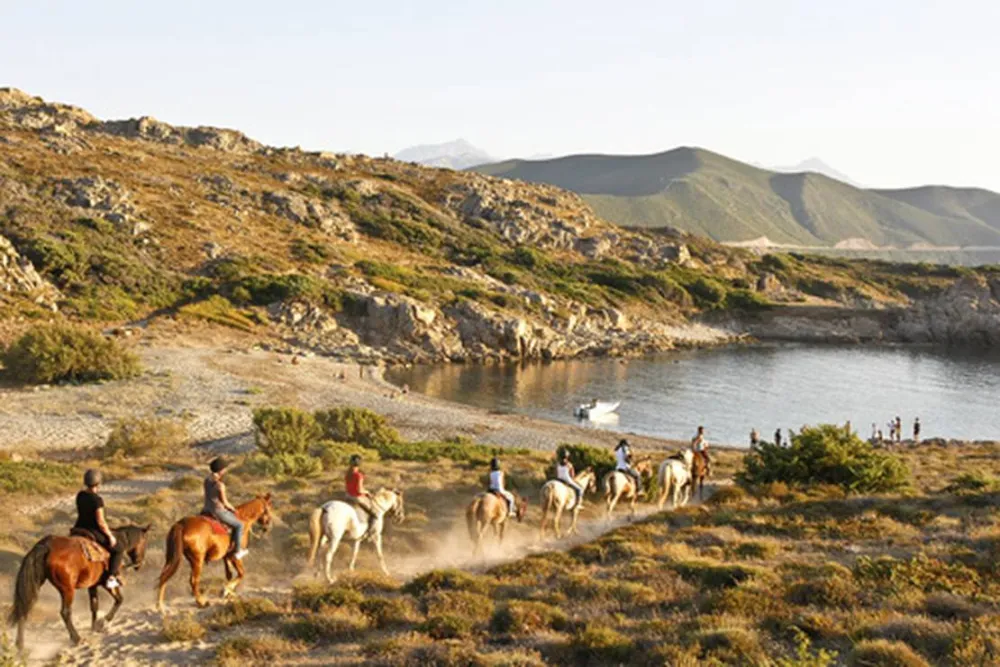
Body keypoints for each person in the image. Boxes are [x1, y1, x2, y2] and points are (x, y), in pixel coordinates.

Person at [72, 469, 125, 589]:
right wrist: (110, 536)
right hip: (93, 531)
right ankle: (111, 578)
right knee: (119, 549)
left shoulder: (80, 495)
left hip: (78, 528)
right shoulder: (97, 500)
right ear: (98, 484)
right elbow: (101, 522)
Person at [203, 458, 249, 560]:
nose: (225, 471)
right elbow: (225, 503)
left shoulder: (206, 481)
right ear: (220, 470)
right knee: (239, 525)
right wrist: (233, 509)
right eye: (224, 469)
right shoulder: (220, 485)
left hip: (206, 510)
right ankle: (238, 551)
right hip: (218, 511)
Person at [345, 455, 378, 538]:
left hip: (347, 496)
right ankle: (368, 533)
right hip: (357, 498)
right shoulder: (359, 475)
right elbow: (359, 490)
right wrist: (367, 492)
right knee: (374, 515)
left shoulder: (347, 474)